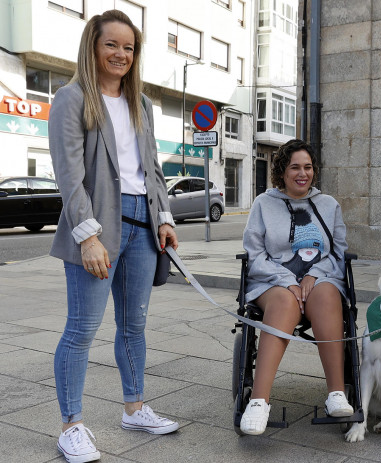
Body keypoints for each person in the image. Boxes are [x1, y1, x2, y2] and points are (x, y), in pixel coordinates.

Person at [49, 10, 180, 463]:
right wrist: (88, 237)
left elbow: (153, 170)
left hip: (142, 224)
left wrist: (164, 216)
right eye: (112, 45)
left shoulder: (140, 103)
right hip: (97, 224)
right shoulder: (71, 98)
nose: (121, 54)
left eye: (129, 47)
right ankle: (71, 425)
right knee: (82, 329)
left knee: (134, 325)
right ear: (93, 46)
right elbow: (69, 175)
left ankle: (134, 407)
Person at [240, 139, 353, 435]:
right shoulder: (264, 204)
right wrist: (288, 280)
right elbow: (254, 254)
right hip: (272, 282)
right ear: (282, 171)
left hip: (320, 280)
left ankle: (336, 393)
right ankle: (259, 401)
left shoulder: (328, 206)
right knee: (285, 303)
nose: (302, 173)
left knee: (329, 295)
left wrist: (314, 274)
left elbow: (339, 254)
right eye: (295, 167)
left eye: (308, 167)